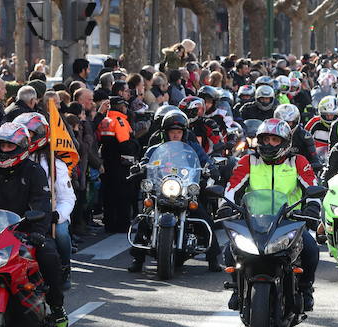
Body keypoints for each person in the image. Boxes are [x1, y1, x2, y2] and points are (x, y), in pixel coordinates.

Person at [0, 122, 69, 327]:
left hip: (27, 231)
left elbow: (42, 202)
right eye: (1, 145)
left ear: (22, 147)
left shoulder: (34, 171)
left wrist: (38, 232)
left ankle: (57, 306)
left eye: (10, 146)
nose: (4, 150)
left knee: (49, 255)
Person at [223, 118, 320, 311]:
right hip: (254, 220)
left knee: (310, 249)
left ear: (285, 142)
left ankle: (305, 289)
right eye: (265, 139)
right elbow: (232, 188)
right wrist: (226, 206)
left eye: (274, 140)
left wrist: (313, 207)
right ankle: (236, 287)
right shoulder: (248, 161)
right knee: (229, 249)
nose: (269, 144)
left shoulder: (297, 161)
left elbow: (313, 186)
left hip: (289, 220)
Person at [128, 111, 220, 273]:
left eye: (179, 132)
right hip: (162, 189)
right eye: (172, 132)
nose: (176, 135)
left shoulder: (192, 147)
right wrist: (140, 166)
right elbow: (146, 160)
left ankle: (213, 258)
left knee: (204, 218)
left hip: (184, 190)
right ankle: (137, 258)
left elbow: (205, 160)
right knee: (145, 218)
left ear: (184, 133)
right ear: (166, 133)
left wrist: (210, 168)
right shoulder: (156, 149)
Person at [15, 113, 76, 290]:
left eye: (31, 134)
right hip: (20, 214)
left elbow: (68, 197)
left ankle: (64, 267)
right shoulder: (14, 162)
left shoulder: (55, 164)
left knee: (62, 233)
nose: (26, 138)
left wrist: (59, 215)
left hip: (50, 214)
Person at [98, 96, 138, 234]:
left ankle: (110, 224)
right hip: (120, 164)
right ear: (121, 107)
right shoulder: (120, 121)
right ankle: (122, 225)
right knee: (123, 196)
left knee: (109, 196)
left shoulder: (105, 120)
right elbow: (125, 144)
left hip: (107, 162)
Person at [274, 103, 322, 171]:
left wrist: (312, 166)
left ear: (295, 122)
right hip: (275, 169)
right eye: (283, 122)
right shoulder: (271, 135)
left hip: (299, 170)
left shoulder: (304, 136)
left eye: (288, 122)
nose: (285, 126)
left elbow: (314, 158)